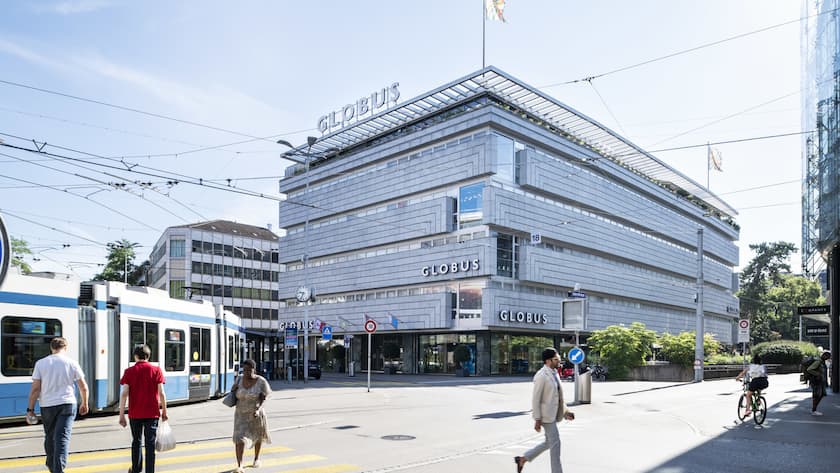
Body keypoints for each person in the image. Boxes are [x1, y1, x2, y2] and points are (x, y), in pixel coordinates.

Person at [26, 337, 89, 473]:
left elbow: (35, 389)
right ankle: (58, 469)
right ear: (65, 348)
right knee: (62, 438)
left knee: (50, 436)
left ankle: (53, 467)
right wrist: (85, 403)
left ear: (51, 348)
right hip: (67, 404)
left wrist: (30, 409)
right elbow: (83, 387)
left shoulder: (40, 363)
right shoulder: (72, 363)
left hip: (47, 405)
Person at [514, 348, 575, 473]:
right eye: (556, 359)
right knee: (555, 444)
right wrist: (537, 419)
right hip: (546, 416)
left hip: (553, 414)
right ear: (548, 361)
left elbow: (558, 397)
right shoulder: (541, 376)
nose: (559, 361)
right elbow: (536, 399)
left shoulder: (554, 373)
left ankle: (523, 459)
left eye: (558, 358)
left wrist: (566, 412)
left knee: (548, 443)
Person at [119, 345, 168, 473]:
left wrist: (121, 415)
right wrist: (164, 411)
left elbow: (124, 394)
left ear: (135, 356)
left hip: (135, 414)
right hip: (152, 414)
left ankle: (136, 469)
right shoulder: (156, 370)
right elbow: (161, 393)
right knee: (150, 444)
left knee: (136, 441)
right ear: (148, 356)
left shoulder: (129, 371)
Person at [232, 359, 271, 472]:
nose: (246, 372)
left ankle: (256, 458)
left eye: (249, 370)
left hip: (255, 413)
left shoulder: (261, 381)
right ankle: (240, 465)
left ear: (254, 370)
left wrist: (258, 409)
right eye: (244, 370)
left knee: (257, 436)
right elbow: (234, 392)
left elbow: (264, 398)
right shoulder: (239, 379)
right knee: (239, 439)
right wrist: (233, 389)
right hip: (240, 414)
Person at [807, 351, 831, 416]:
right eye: (828, 357)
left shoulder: (822, 362)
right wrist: (817, 374)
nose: (828, 358)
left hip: (820, 381)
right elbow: (809, 369)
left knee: (821, 395)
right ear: (824, 356)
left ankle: (814, 409)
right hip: (816, 382)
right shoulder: (818, 361)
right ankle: (814, 410)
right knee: (817, 396)